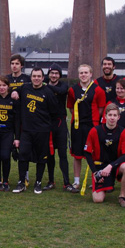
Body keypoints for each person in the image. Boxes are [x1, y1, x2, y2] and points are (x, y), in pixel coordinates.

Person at [12, 67, 58, 194]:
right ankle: (21, 182)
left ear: (43, 78)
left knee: (41, 158)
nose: (36, 78)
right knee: (23, 156)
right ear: (30, 77)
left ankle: (38, 182)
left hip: (42, 131)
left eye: (39, 76)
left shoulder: (48, 92)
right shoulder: (25, 87)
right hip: (26, 130)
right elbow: (14, 89)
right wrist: (15, 91)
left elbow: (54, 112)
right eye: (34, 76)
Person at [84, 103, 125, 208]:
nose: (112, 118)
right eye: (110, 115)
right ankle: (107, 185)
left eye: (115, 115)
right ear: (105, 116)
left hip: (115, 166)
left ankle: (122, 196)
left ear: (118, 117)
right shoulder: (95, 131)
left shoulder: (123, 132)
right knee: (98, 200)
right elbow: (87, 153)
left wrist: (110, 166)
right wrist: (95, 172)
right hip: (100, 167)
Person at [67, 64, 106, 192]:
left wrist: (93, 121)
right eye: (81, 73)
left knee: (94, 154)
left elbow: (101, 109)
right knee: (77, 155)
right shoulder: (73, 90)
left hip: (92, 126)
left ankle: (96, 178)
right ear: (78, 75)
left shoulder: (98, 90)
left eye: (86, 73)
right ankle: (76, 181)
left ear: (91, 74)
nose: (83, 75)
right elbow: (71, 108)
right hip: (77, 126)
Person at [44, 63, 70, 191]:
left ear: (59, 75)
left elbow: (61, 91)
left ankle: (67, 182)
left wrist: (46, 85)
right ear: (48, 74)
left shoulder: (62, 85)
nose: (54, 75)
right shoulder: (43, 85)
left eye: (56, 73)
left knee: (63, 154)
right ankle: (51, 180)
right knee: (50, 154)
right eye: (52, 73)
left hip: (60, 123)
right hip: (48, 123)